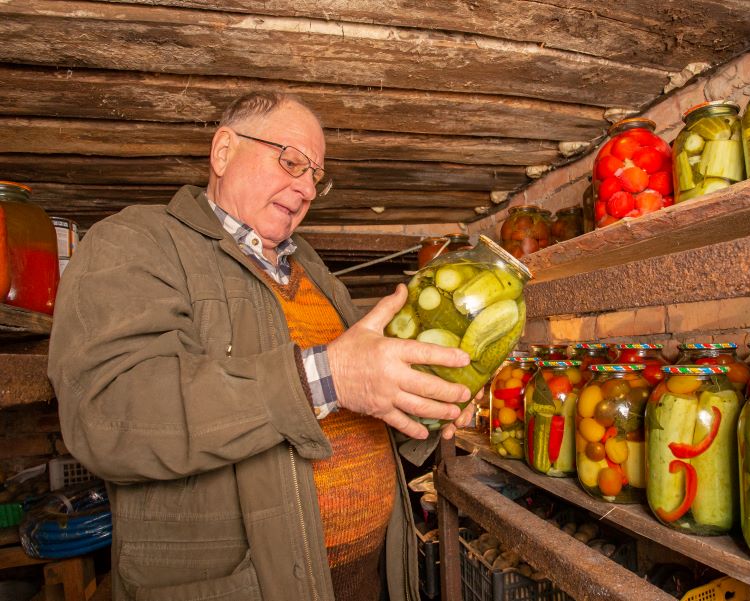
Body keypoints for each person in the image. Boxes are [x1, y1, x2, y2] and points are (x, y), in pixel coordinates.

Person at [47, 91, 476, 601]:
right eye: (291, 161)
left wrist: (428, 401)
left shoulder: (312, 270)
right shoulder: (136, 241)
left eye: (316, 175)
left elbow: (364, 405)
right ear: (223, 151)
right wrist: (327, 377)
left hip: (372, 578)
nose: (307, 188)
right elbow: (108, 415)